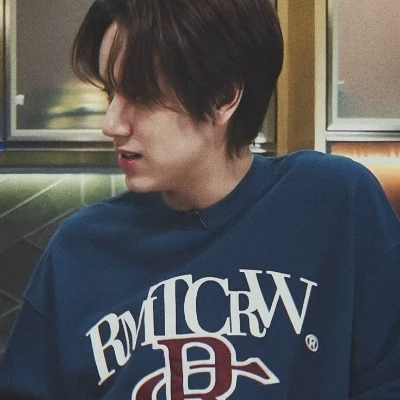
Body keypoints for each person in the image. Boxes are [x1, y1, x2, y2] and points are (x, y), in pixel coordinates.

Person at [1, 0, 399, 398]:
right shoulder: (79, 249)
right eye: (111, 92)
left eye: (140, 95)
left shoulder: (332, 201)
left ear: (224, 96)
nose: (111, 124)